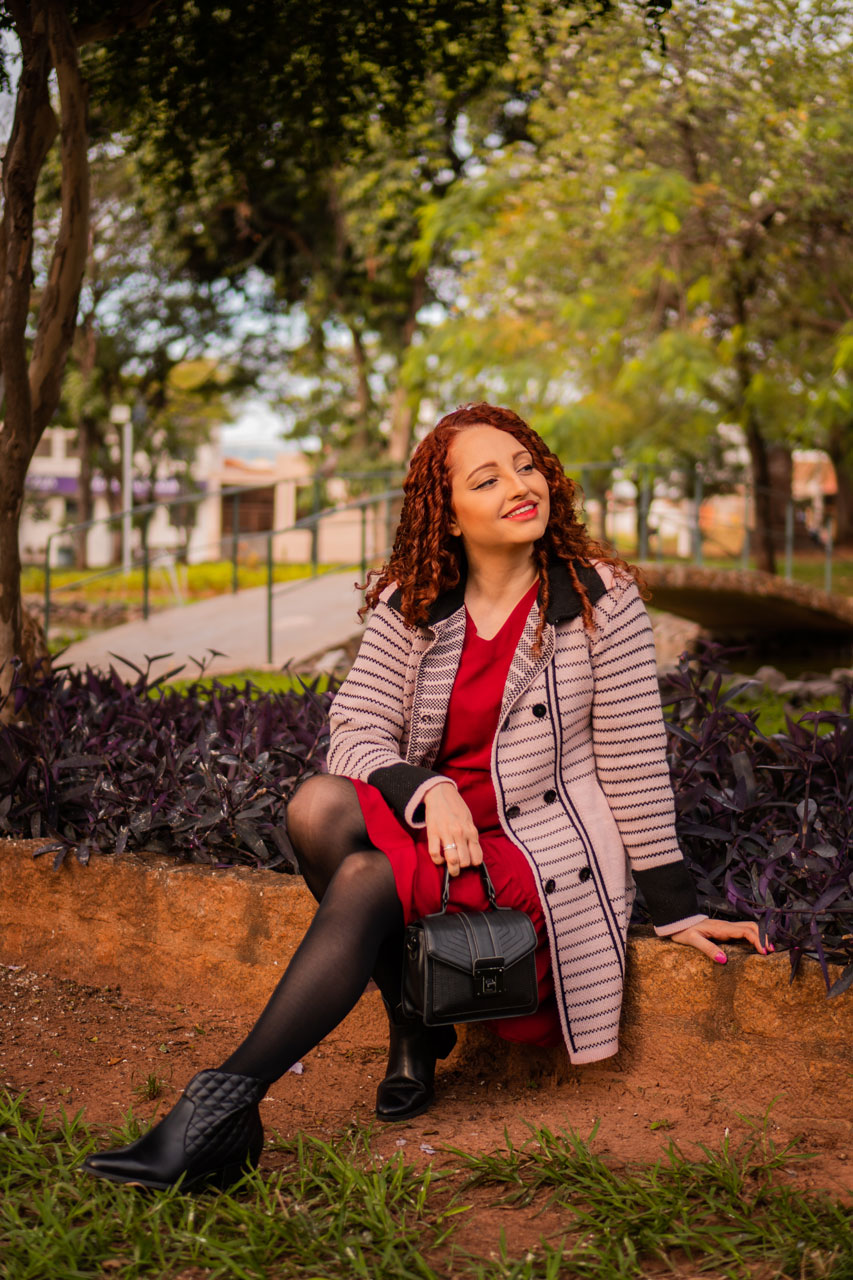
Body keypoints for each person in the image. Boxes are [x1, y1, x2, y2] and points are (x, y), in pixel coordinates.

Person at [83, 402, 767, 1191]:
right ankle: (397, 1024)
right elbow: (354, 730)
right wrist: (428, 789)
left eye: (526, 466)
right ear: (447, 513)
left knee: (366, 876)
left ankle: (228, 1103)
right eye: (487, 479)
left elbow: (634, 762)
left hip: (535, 848)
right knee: (316, 806)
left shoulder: (595, 599)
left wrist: (675, 909)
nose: (520, 486)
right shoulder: (414, 601)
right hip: (440, 826)